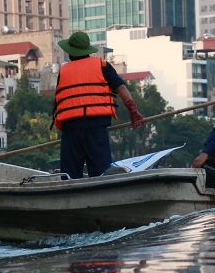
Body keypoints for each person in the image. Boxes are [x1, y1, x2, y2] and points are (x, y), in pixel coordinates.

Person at [53, 31, 146, 180]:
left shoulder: (63, 71)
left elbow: (59, 100)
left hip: (71, 128)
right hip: (96, 127)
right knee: (101, 174)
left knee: (70, 177)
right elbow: (121, 88)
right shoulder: (102, 66)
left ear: (71, 52)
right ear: (87, 50)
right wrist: (133, 111)